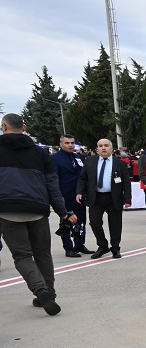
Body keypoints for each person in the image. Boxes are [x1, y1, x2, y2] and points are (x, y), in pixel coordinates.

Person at [0, 113, 77, 315]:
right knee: (43, 254)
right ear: (24, 128)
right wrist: (64, 212)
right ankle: (49, 293)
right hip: (37, 209)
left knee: (22, 256)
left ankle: (40, 290)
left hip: (8, 211)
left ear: (4, 127)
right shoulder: (41, 153)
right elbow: (53, 186)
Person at [76, 138, 131, 259]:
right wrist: (79, 192)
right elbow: (82, 178)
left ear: (111, 148)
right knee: (94, 222)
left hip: (113, 197)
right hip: (96, 197)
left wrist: (127, 199)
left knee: (115, 224)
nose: (103, 148)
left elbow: (126, 182)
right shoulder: (90, 161)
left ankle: (115, 248)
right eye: (101, 146)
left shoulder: (120, 163)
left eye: (106, 145)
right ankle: (102, 246)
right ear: (97, 149)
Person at [50, 134, 94, 257]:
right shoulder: (55, 159)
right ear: (61, 144)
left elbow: (82, 176)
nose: (70, 145)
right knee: (66, 222)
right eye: (67, 143)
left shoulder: (77, 157)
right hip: (65, 196)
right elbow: (54, 179)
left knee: (81, 221)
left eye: (72, 143)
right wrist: (58, 196)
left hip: (79, 195)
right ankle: (68, 248)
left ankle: (79, 244)